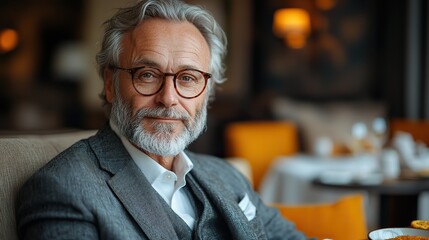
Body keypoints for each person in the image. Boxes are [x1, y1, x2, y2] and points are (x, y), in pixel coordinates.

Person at [16, 0, 309, 239]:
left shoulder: (226, 174)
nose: (168, 98)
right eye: (147, 75)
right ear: (110, 84)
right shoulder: (64, 188)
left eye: (188, 78)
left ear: (206, 91)